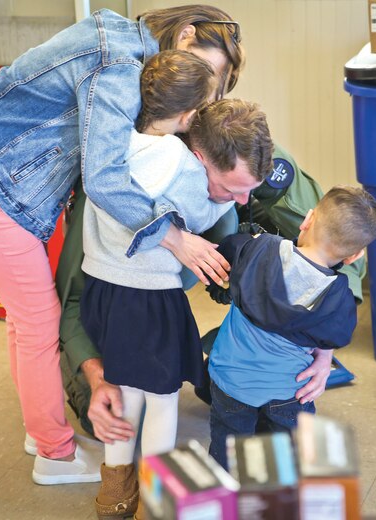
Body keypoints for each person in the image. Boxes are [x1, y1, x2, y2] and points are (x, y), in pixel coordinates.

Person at [0, 5, 243, 486]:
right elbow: (103, 176)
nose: (203, 95)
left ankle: (42, 434)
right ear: (184, 36)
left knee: (25, 322)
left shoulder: (118, 42)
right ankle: (54, 457)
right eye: (207, 71)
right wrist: (176, 237)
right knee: (39, 323)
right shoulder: (119, 64)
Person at [79, 52, 271, 518]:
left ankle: (115, 494)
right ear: (200, 153)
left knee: (127, 392)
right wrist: (204, 220)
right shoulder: (171, 161)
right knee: (163, 401)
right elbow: (196, 211)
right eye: (233, 186)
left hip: (104, 288)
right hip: (145, 296)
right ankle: (159, 496)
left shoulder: (139, 142)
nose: (242, 200)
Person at [57, 144, 351, 439]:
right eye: (228, 187)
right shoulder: (112, 184)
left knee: (262, 412)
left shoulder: (246, 151)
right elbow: (73, 297)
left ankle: (230, 374)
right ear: (198, 160)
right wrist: (97, 377)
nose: (243, 198)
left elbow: (340, 239)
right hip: (126, 306)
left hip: (228, 337)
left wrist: (323, 352)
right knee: (112, 417)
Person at [206, 186, 376, 469]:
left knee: (226, 448)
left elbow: (227, 253)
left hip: (230, 381)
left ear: (307, 220)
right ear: (352, 258)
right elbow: (336, 335)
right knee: (287, 457)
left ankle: (219, 497)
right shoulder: (338, 296)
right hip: (289, 391)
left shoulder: (258, 248)